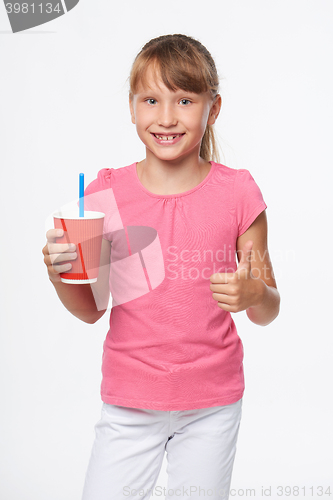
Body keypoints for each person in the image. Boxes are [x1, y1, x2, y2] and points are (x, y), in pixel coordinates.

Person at [42, 34, 280, 500]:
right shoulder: (105, 193)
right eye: (151, 100)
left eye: (185, 100)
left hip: (212, 403)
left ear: (212, 109)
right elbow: (91, 309)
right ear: (132, 108)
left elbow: (267, 307)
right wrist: (59, 275)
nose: (166, 117)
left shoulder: (239, 193)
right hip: (129, 402)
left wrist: (256, 294)